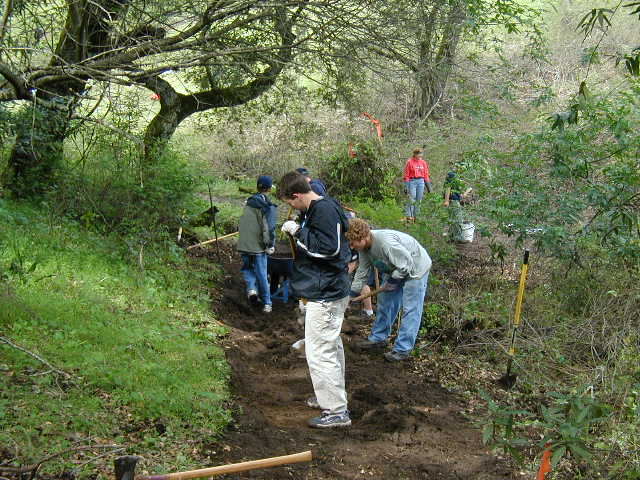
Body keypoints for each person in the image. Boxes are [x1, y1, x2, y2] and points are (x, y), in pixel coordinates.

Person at [278, 170, 352, 428]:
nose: (291, 207)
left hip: (327, 292)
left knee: (320, 351)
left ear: (297, 195)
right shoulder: (317, 208)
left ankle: (336, 411)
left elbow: (328, 249)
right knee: (330, 347)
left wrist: (298, 232)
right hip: (326, 289)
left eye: (290, 202)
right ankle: (332, 398)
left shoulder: (323, 211)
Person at [346, 218, 431, 362]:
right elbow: (362, 272)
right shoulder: (364, 248)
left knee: (411, 308)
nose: (352, 247)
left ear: (363, 237)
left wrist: (392, 282)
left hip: (415, 268)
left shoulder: (385, 243)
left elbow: (406, 265)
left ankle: (403, 349)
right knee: (385, 302)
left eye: (353, 243)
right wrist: (350, 295)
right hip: (394, 268)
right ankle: (378, 338)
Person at [237, 175, 277, 313]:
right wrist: (270, 245)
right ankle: (267, 303)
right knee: (261, 273)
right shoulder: (268, 206)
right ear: (270, 189)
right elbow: (269, 228)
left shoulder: (248, 202)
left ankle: (252, 290)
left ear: (257, 187)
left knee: (247, 268)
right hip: (258, 246)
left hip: (244, 242)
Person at [402, 148, 431, 222]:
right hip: (412, 181)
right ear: (415, 154)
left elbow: (426, 174)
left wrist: (429, 187)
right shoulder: (410, 162)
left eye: (421, 153)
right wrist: (406, 185)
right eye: (419, 154)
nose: (420, 155)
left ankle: (416, 217)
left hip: (421, 181)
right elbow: (406, 175)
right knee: (411, 198)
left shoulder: (423, 162)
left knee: (419, 199)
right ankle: (409, 216)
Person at [443, 169, 472, 242]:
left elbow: (460, 193)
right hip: (453, 201)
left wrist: (465, 193)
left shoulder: (458, 179)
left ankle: (452, 235)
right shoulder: (452, 175)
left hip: (455, 200)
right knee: (458, 219)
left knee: (453, 218)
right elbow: (448, 188)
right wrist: (446, 200)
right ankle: (458, 236)